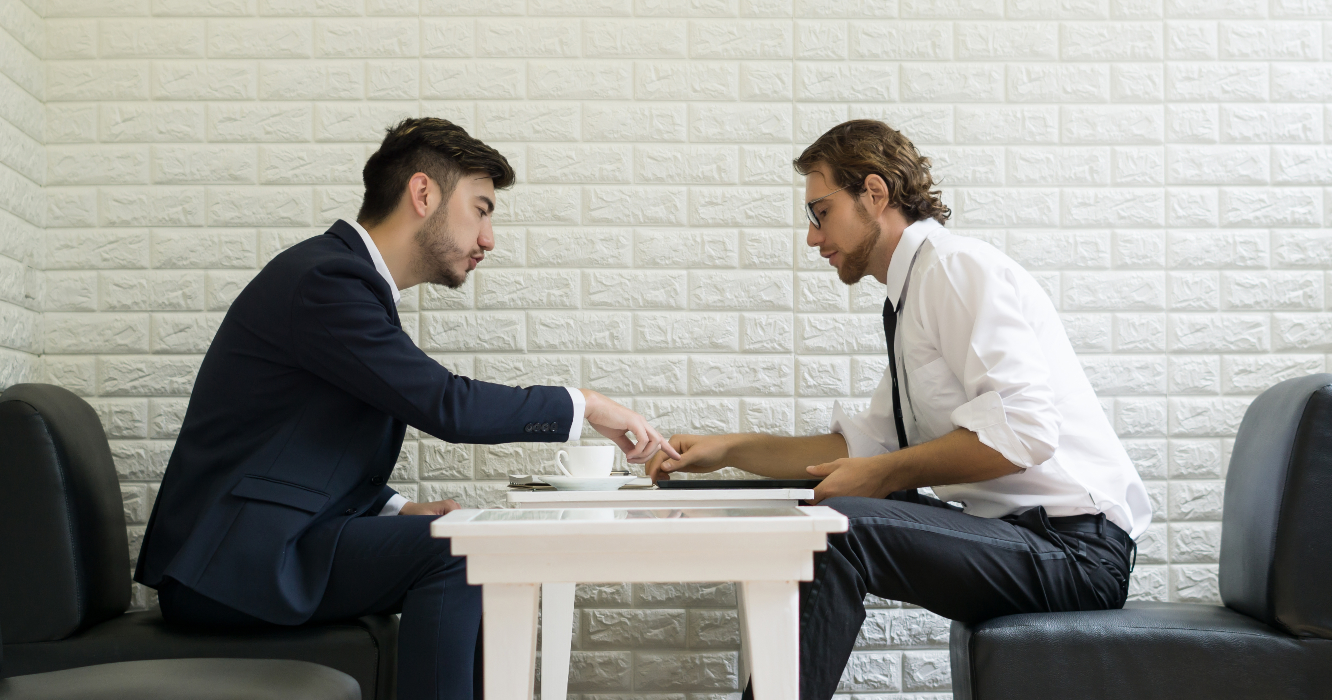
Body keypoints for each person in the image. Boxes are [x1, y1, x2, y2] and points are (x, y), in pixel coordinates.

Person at [134, 117, 678, 700]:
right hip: (234, 563)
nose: (489, 239)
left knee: (472, 544)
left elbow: (296, 441)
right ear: (424, 194)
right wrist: (585, 405)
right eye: (482, 209)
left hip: (267, 544)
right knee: (462, 553)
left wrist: (395, 509)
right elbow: (445, 405)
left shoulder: (339, 281)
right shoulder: (327, 280)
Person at [646, 120, 1150, 700]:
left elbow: (1025, 431)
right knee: (833, 516)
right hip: (1027, 539)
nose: (813, 238)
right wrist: (728, 450)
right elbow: (863, 450)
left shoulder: (955, 271)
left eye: (820, 212)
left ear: (875, 194)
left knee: (839, 532)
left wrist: (883, 475)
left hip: (1077, 554)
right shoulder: (912, 298)